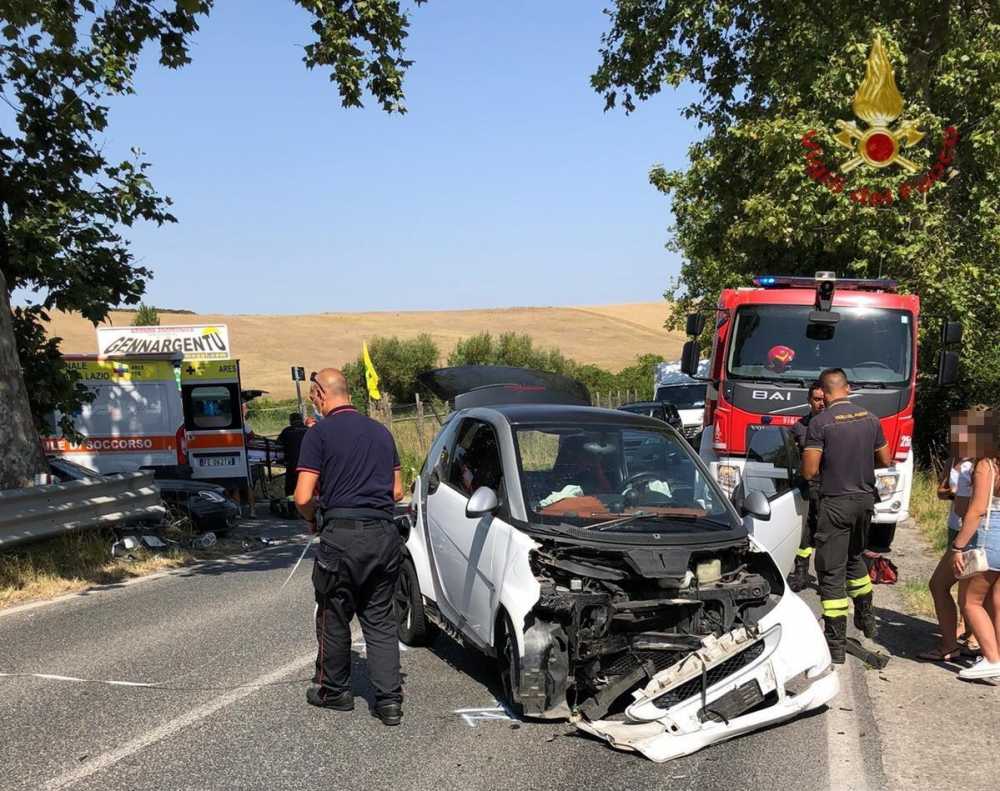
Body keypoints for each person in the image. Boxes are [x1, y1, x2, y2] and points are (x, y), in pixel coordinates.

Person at [294, 368, 405, 724]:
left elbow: (302, 496)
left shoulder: (319, 433)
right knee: (380, 618)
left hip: (341, 537)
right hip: (384, 535)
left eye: (313, 395)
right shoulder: (382, 432)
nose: (313, 401)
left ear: (320, 393)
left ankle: (335, 691)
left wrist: (314, 518)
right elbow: (397, 491)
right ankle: (389, 701)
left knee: (334, 613)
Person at [801, 368, 893, 663]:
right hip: (865, 502)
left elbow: (810, 471)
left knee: (830, 572)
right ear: (848, 388)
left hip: (836, 504)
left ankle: (836, 645)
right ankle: (866, 617)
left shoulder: (820, 423)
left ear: (824, 393)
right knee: (854, 557)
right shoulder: (871, 419)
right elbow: (885, 459)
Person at [918, 409, 978, 661]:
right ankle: (968, 640)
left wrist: (959, 497)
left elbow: (969, 509)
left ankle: (957, 643)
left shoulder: (976, 464)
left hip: (968, 532)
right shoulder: (956, 458)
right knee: (968, 589)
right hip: (957, 527)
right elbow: (942, 489)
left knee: (944, 586)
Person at [951, 407, 1000, 680]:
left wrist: (957, 546)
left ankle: (992, 658)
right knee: (997, 601)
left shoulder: (986, 465)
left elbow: (977, 510)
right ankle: (997, 655)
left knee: (971, 601)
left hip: (991, 538)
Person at [787, 382, 825, 592]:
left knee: (826, 534)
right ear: (809, 400)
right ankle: (800, 573)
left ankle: (826, 579)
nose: (821, 403)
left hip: (829, 488)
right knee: (804, 533)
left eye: (823, 399)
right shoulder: (799, 427)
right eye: (817, 399)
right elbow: (790, 456)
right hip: (806, 488)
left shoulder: (834, 425)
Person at [277, 412, 309, 498]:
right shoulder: (309, 430)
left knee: (290, 488)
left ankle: (291, 504)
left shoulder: (287, 431)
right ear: (301, 420)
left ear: (291, 421)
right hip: (308, 464)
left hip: (292, 464)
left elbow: (278, 444)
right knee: (307, 487)